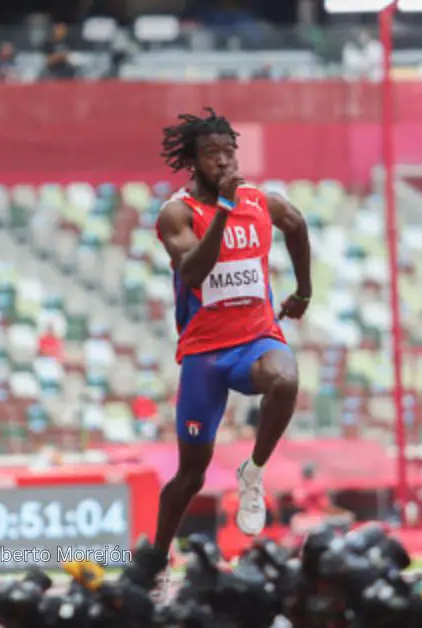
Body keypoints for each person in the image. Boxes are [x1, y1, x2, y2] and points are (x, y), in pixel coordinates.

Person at [153, 109, 312, 565]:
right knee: (190, 476)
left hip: (255, 340)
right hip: (205, 354)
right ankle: (157, 557)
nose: (223, 162)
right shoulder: (176, 213)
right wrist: (223, 210)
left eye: (229, 153)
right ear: (193, 161)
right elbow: (195, 271)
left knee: (285, 378)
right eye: (211, 154)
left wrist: (303, 291)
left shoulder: (261, 202)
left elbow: (297, 225)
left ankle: (254, 471)